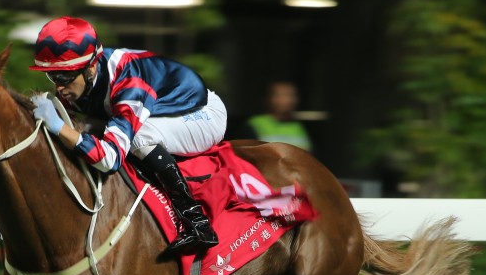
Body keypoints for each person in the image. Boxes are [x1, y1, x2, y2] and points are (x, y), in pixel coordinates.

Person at [29, 16, 226, 254]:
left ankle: (197, 222)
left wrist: (59, 126)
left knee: (138, 137)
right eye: (52, 77)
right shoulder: (82, 82)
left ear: (91, 67)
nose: (59, 87)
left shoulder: (128, 80)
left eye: (64, 77)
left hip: (200, 114)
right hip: (160, 108)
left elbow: (110, 160)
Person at [247, 81, 312, 152]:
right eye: (283, 95)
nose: (289, 100)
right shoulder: (255, 124)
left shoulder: (300, 126)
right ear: (269, 98)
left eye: (292, 95)